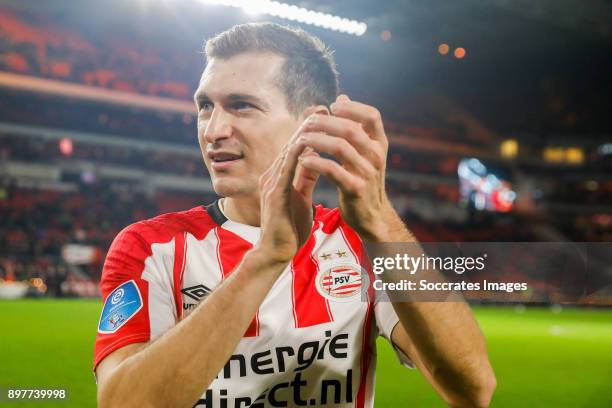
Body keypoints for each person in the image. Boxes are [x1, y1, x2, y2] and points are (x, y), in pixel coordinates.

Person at [94, 23, 496, 407]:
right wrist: (266, 257)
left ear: (312, 123)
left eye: (241, 106)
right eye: (205, 107)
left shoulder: (360, 243)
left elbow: (471, 388)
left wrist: (377, 219)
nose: (213, 130)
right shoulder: (151, 247)